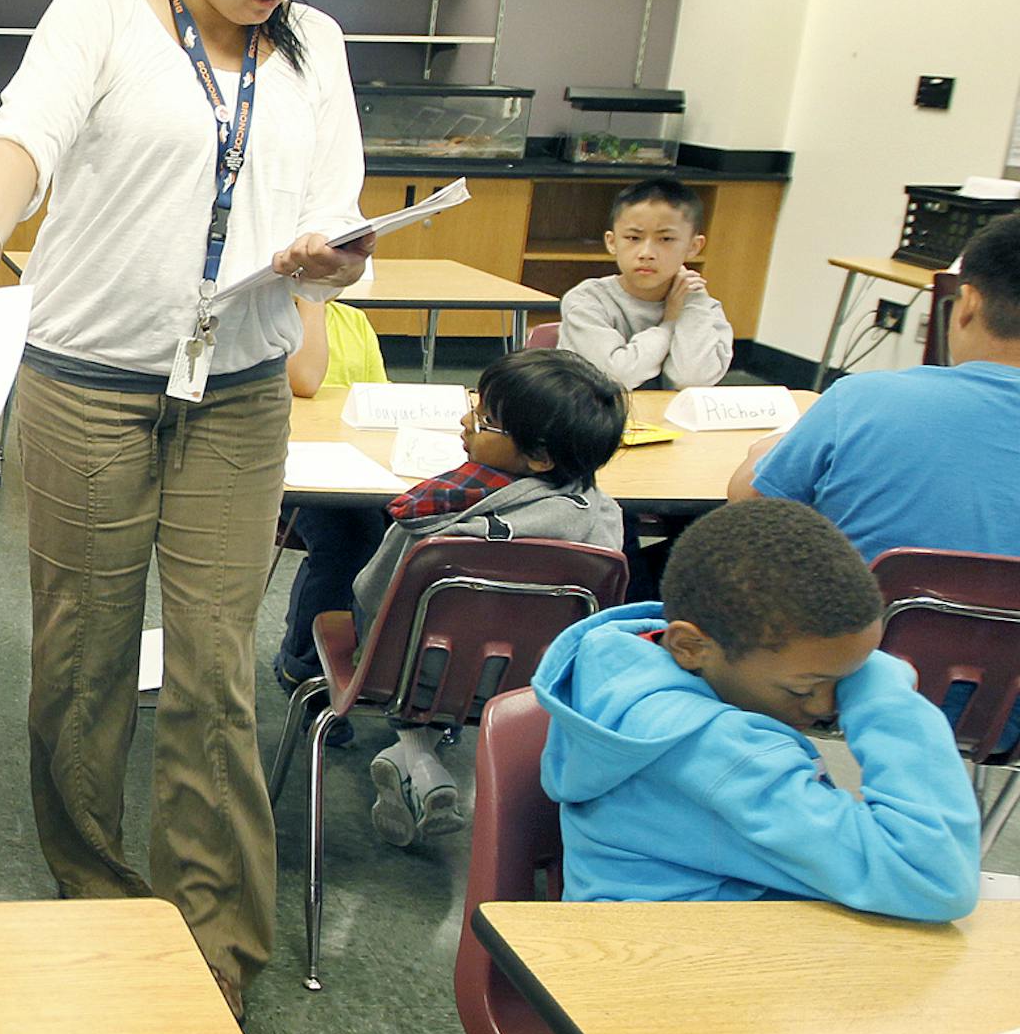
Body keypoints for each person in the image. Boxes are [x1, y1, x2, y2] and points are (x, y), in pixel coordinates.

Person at [0, 0, 372, 1018]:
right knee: (81, 664)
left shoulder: (315, 48)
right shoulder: (104, 11)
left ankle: (212, 948)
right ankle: (99, 906)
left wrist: (333, 263)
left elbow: (340, 215)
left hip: (235, 396)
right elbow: (26, 135)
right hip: (86, 390)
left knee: (216, 671)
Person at [532, 499, 979, 921]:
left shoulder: (634, 664)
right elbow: (933, 877)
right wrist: (885, 695)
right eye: (804, 688)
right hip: (686, 979)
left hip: (681, 948)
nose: (827, 708)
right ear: (690, 645)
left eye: (842, 682)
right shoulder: (716, 753)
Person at [731, 214, 1020, 753]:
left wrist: (764, 454)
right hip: (1008, 717)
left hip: (845, 689)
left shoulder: (864, 399)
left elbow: (749, 509)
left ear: (970, 303)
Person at [346, 348, 626, 845]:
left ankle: (416, 753)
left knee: (380, 626)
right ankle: (416, 759)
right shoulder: (603, 524)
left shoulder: (440, 518)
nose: (465, 419)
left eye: (486, 419)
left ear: (539, 454)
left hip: (408, 673)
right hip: (533, 687)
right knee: (475, 652)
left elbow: (372, 596)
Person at [273, 298, 389, 694]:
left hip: (355, 466)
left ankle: (384, 665)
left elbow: (378, 403)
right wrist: (311, 302)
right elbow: (304, 381)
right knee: (349, 538)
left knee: (410, 528)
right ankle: (303, 668)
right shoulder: (269, 316)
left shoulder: (353, 320)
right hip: (287, 466)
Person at [557, 180, 733, 390]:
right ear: (612, 242)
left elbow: (691, 380)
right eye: (633, 237)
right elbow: (614, 378)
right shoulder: (587, 300)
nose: (646, 253)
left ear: (693, 246)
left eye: (666, 239)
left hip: (664, 420)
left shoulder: (705, 308)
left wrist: (693, 303)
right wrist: (668, 325)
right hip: (592, 418)